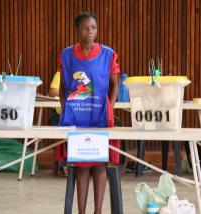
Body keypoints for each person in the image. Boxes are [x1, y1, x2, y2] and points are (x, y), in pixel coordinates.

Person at [58, 12, 120, 214]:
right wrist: (65, 110)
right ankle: (82, 211)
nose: (90, 32)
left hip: (100, 117)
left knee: (100, 163)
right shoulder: (67, 55)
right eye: (85, 28)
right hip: (77, 118)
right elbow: (63, 87)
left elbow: (114, 84)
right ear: (77, 30)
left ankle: (98, 211)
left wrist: (108, 108)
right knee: (82, 165)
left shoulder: (108, 54)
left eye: (93, 27)